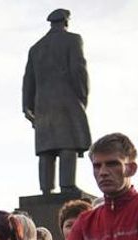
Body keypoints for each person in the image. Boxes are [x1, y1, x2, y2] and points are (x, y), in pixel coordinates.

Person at [22, 8, 91, 195]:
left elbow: (28, 81)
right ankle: (67, 185)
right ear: (66, 22)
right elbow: (79, 70)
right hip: (67, 100)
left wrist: (27, 107)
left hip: (42, 106)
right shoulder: (73, 40)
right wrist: (82, 97)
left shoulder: (36, 48)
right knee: (67, 143)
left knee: (47, 149)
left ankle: (46, 189)